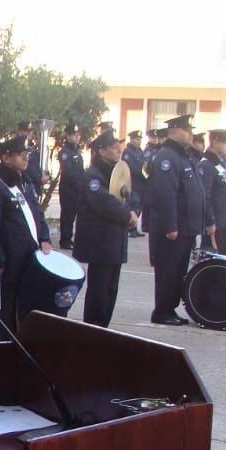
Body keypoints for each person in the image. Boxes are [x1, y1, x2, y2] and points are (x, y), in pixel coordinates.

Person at [0, 132, 51, 340]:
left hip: (30, 262)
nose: (26, 157)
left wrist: (44, 237)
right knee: (6, 315)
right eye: (20, 154)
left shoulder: (22, 184)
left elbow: (37, 214)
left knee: (25, 312)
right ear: (6, 158)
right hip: (10, 265)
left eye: (26, 153)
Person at [144, 114, 205, 325]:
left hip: (186, 227)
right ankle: (162, 311)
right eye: (187, 130)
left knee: (178, 270)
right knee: (168, 271)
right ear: (174, 131)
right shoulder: (167, 157)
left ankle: (170, 309)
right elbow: (165, 194)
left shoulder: (183, 156)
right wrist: (171, 225)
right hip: (173, 228)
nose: (191, 134)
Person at [72, 128, 137, 327]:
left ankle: (103, 328)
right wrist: (127, 215)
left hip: (114, 240)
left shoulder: (115, 172)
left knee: (111, 288)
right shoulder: (93, 175)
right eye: (114, 148)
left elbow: (130, 194)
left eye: (119, 148)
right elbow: (104, 203)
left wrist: (134, 209)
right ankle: (93, 329)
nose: (119, 152)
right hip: (100, 242)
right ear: (101, 151)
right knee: (99, 290)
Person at [198, 130, 226, 254]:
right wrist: (210, 221)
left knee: (222, 257)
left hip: (223, 221)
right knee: (212, 259)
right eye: (224, 142)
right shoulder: (206, 165)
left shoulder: (219, 163)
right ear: (214, 142)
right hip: (214, 222)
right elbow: (205, 196)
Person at [57, 126, 85, 248]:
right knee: (67, 215)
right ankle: (65, 240)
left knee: (73, 215)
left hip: (77, 188)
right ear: (68, 136)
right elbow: (68, 172)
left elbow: (80, 171)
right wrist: (79, 183)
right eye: (74, 135)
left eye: (78, 135)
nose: (77, 137)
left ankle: (69, 238)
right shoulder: (64, 152)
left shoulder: (76, 151)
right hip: (68, 188)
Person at [121, 130, 147, 237]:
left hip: (142, 184)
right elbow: (130, 167)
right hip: (132, 183)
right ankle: (129, 227)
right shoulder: (127, 152)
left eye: (140, 139)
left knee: (139, 206)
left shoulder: (141, 152)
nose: (138, 141)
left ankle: (134, 228)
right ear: (131, 139)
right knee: (134, 205)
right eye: (136, 139)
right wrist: (142, 172)